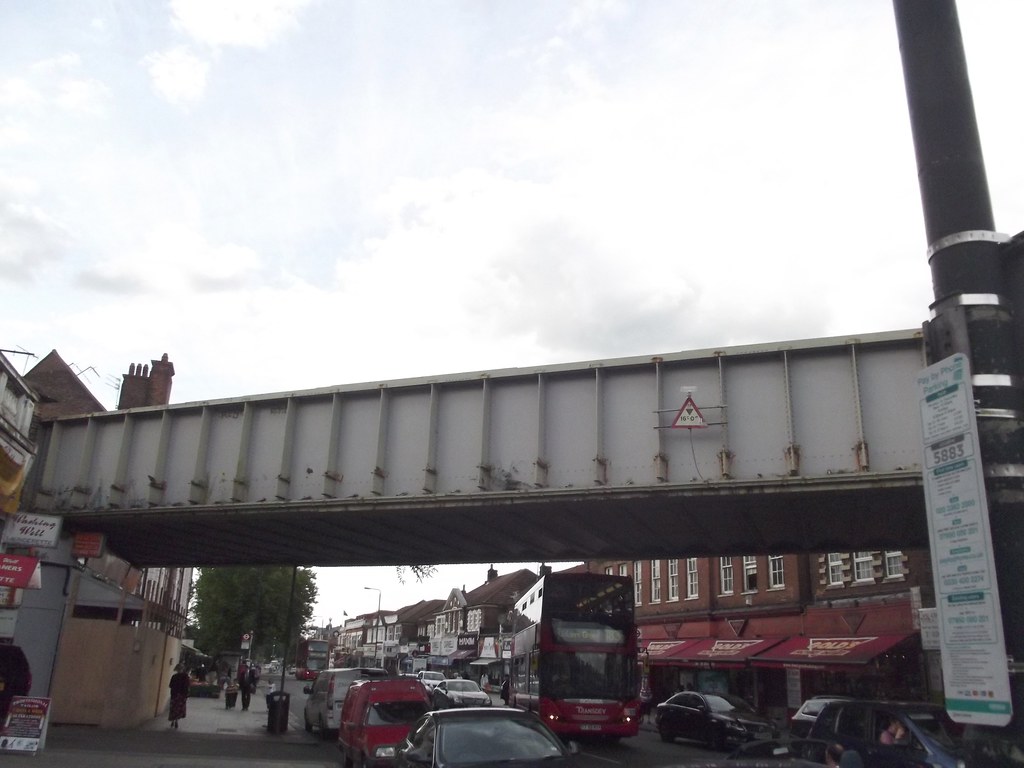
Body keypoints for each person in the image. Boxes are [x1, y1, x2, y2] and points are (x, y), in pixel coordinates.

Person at [168, 664, 190, 729]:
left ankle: (173, 720)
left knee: (173, 708)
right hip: (182, 695)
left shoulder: (174, 676)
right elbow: (187, 686)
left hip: (174, 695)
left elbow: (170, 685)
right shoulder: (185, 677)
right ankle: (176, 720)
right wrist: (186, 695)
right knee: (179, 708)